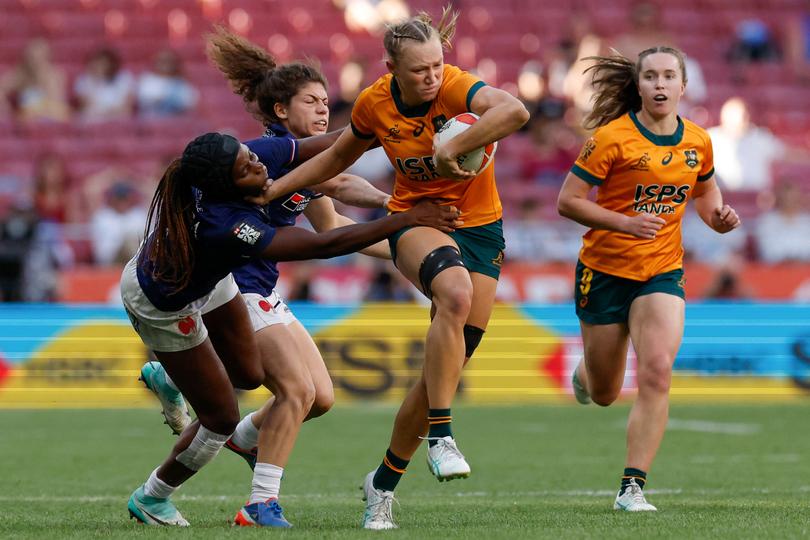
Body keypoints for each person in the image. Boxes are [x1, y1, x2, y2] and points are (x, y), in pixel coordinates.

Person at [249, 7, 529, 529]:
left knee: (440, 373)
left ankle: (382, 484)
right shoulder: (377, 104)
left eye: (438, 65)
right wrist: (276, 188)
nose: (432, 77)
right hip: (415, 219)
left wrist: (458, 147)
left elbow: (514, 112)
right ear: (391, 68)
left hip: (482, 227)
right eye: (419, 69)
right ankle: (443, 436)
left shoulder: (455, 88)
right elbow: (333, 162)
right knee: (454, 294)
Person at [123, 132, 459, 528]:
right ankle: (153, 496)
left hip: (212, 280)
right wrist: (405, 219)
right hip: (164, 302)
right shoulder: (225, 224)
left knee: (249, 375)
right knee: (220, 419)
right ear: (227, 186)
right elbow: (321, 246)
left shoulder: (252, 155)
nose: (258, 165)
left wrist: (387, 124)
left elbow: (339, 141)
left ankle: (175, 377)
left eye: (250, 156)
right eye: (246, 169)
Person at [138, 26, 396, 527]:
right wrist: (399, 206)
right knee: (293, 393)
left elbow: (336, 223)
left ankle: (234, 430)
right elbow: (340, 180)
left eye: (326, 102)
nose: (324, 110)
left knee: (319, 399)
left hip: (263, 290)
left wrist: (410, 251)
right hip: (236, 291)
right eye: (311, 102)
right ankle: (260, 502)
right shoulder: (265, 153)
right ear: (281, 110)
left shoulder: (305, 165)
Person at [556, 46, 741, 511]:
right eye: (651, 77)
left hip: (661, 270)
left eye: (668, 77)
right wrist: (623, 222)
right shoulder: (610, 138)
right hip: (604, 271)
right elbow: (569, 201)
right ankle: (586, 372)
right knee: (604, 392)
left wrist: (716, 217)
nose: (660, 85)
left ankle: (632, 487)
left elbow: (705, 189)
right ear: (638, 86)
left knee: (657, 369)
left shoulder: (697, 140)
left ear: (683, 86)